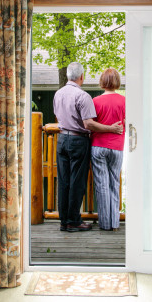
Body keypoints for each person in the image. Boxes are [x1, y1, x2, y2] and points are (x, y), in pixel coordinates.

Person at [53, 62, 123, 232]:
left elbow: (58, 116)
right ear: (81, 77)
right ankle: (75, 221)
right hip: (78, 141)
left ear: (69, 76)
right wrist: (112, 129)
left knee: (63, 181)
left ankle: (65, 221)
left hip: (62, 139)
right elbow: (89, 124)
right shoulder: (82, 96)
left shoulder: (58, 94)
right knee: (77, 182)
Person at [91, 68, 126, 231]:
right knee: (114, 183)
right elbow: (129, 122)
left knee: (101, 184)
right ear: (117, 82)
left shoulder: (95, 101)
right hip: (117, 146)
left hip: (98, 145)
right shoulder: (124, 100)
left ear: (102, 82)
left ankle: (105, 224)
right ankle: (115, 223)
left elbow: (91, 124)